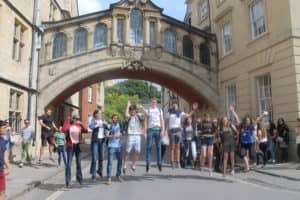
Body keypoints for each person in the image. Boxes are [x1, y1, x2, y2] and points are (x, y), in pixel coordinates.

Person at [231, 107, 268, 172]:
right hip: (243, 143)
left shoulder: (251, 126)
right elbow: (237, 118)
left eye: (248, 120)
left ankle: (259, 153)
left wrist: (263, 115)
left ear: (250, 121)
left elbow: (257, 120)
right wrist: (233, 111)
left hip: (251, 142)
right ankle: (247, 166)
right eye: (246, 120)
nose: (247, 122)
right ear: (244, 121)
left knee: (252, 156)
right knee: (242, 154)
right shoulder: (241, 126)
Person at [62, 115, 88, 188]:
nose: (77, 120)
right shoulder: (69, 126)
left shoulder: (79, 127)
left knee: (79, 163)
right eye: (76, 119)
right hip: (71, 146)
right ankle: (68, 181)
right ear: (73, 119)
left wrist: (81, 123)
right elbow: (64, 130)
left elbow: (86, 130)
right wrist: (67, 120)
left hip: (78, 146)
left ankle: (79, 179)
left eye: (78, 119)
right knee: (69, 164)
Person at [140, 97, 165, 173]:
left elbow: (162, 120)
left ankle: (159, 163)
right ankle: (148, 163)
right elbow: (145, 121)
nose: (154, 103)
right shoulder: (148, 110)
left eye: (155, 102)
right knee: (149, 147)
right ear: (150, 103)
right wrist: (144, 132)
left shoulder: (159, 110)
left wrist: (163, 129)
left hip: (158, 130)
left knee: (158, 147)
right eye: (152, 102)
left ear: (156, 103)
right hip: (150, 130)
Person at [123, 101, 145, 174]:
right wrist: (128, 105)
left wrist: (142, 108)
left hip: (138, 136)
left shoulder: (138, 115)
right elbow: (125, 114)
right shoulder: (129, 117)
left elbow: (146, 115)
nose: (132, 112)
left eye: (133, 110)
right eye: (131, 110)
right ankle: (125, 164)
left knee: (138, 151)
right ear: (130, 111)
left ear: (135, 111)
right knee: (127, 151)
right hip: (131, 136)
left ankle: (133, 164)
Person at [165, 101, 185, 169]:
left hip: (178, 131)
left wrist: (193, 110)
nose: (174, 106)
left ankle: (178, 162)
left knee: (178, 147)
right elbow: (166, 121)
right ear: (172, 105)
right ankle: (172, 162)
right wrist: (164, 130)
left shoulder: (180, 112)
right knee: (172, 147)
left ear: (177, 106)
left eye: (176, 105)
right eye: (173, 105)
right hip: (171, 131)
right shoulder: (169, 112)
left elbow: (187, 116)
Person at [89, 109, 108, 180]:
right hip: (95, 141)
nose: (100, 115)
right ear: (96, 114)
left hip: (102, 141)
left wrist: (106, 125)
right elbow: (90, 127)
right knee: (94, 158)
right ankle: (93, 174)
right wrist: (97, 125)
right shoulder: (93, 121)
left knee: (102, 157)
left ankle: (99, 171)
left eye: (101, 114)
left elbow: (107, 128)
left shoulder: (103, 120)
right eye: (99, 114)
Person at [106, 114, 123, 185]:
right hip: (111, 146)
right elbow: (106, 136)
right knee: (110, 162)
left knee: (120, 161)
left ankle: (118, 175)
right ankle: (109, 178)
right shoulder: (109, 126)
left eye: (116, 118)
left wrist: (120, 135)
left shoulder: (120, 125)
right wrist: (114, 136)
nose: (115, 119)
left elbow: (122, 133)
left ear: (118, 119)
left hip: (119, 146)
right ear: (112, 119)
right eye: (114, 118)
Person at [0, 120, 11, 200]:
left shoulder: (4, 140)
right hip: (0, 171)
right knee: (2, 192)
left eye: (6, 128)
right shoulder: (3, 141)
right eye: (3, 128)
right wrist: (8, 167)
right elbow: (5, 158)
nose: (5, 130)